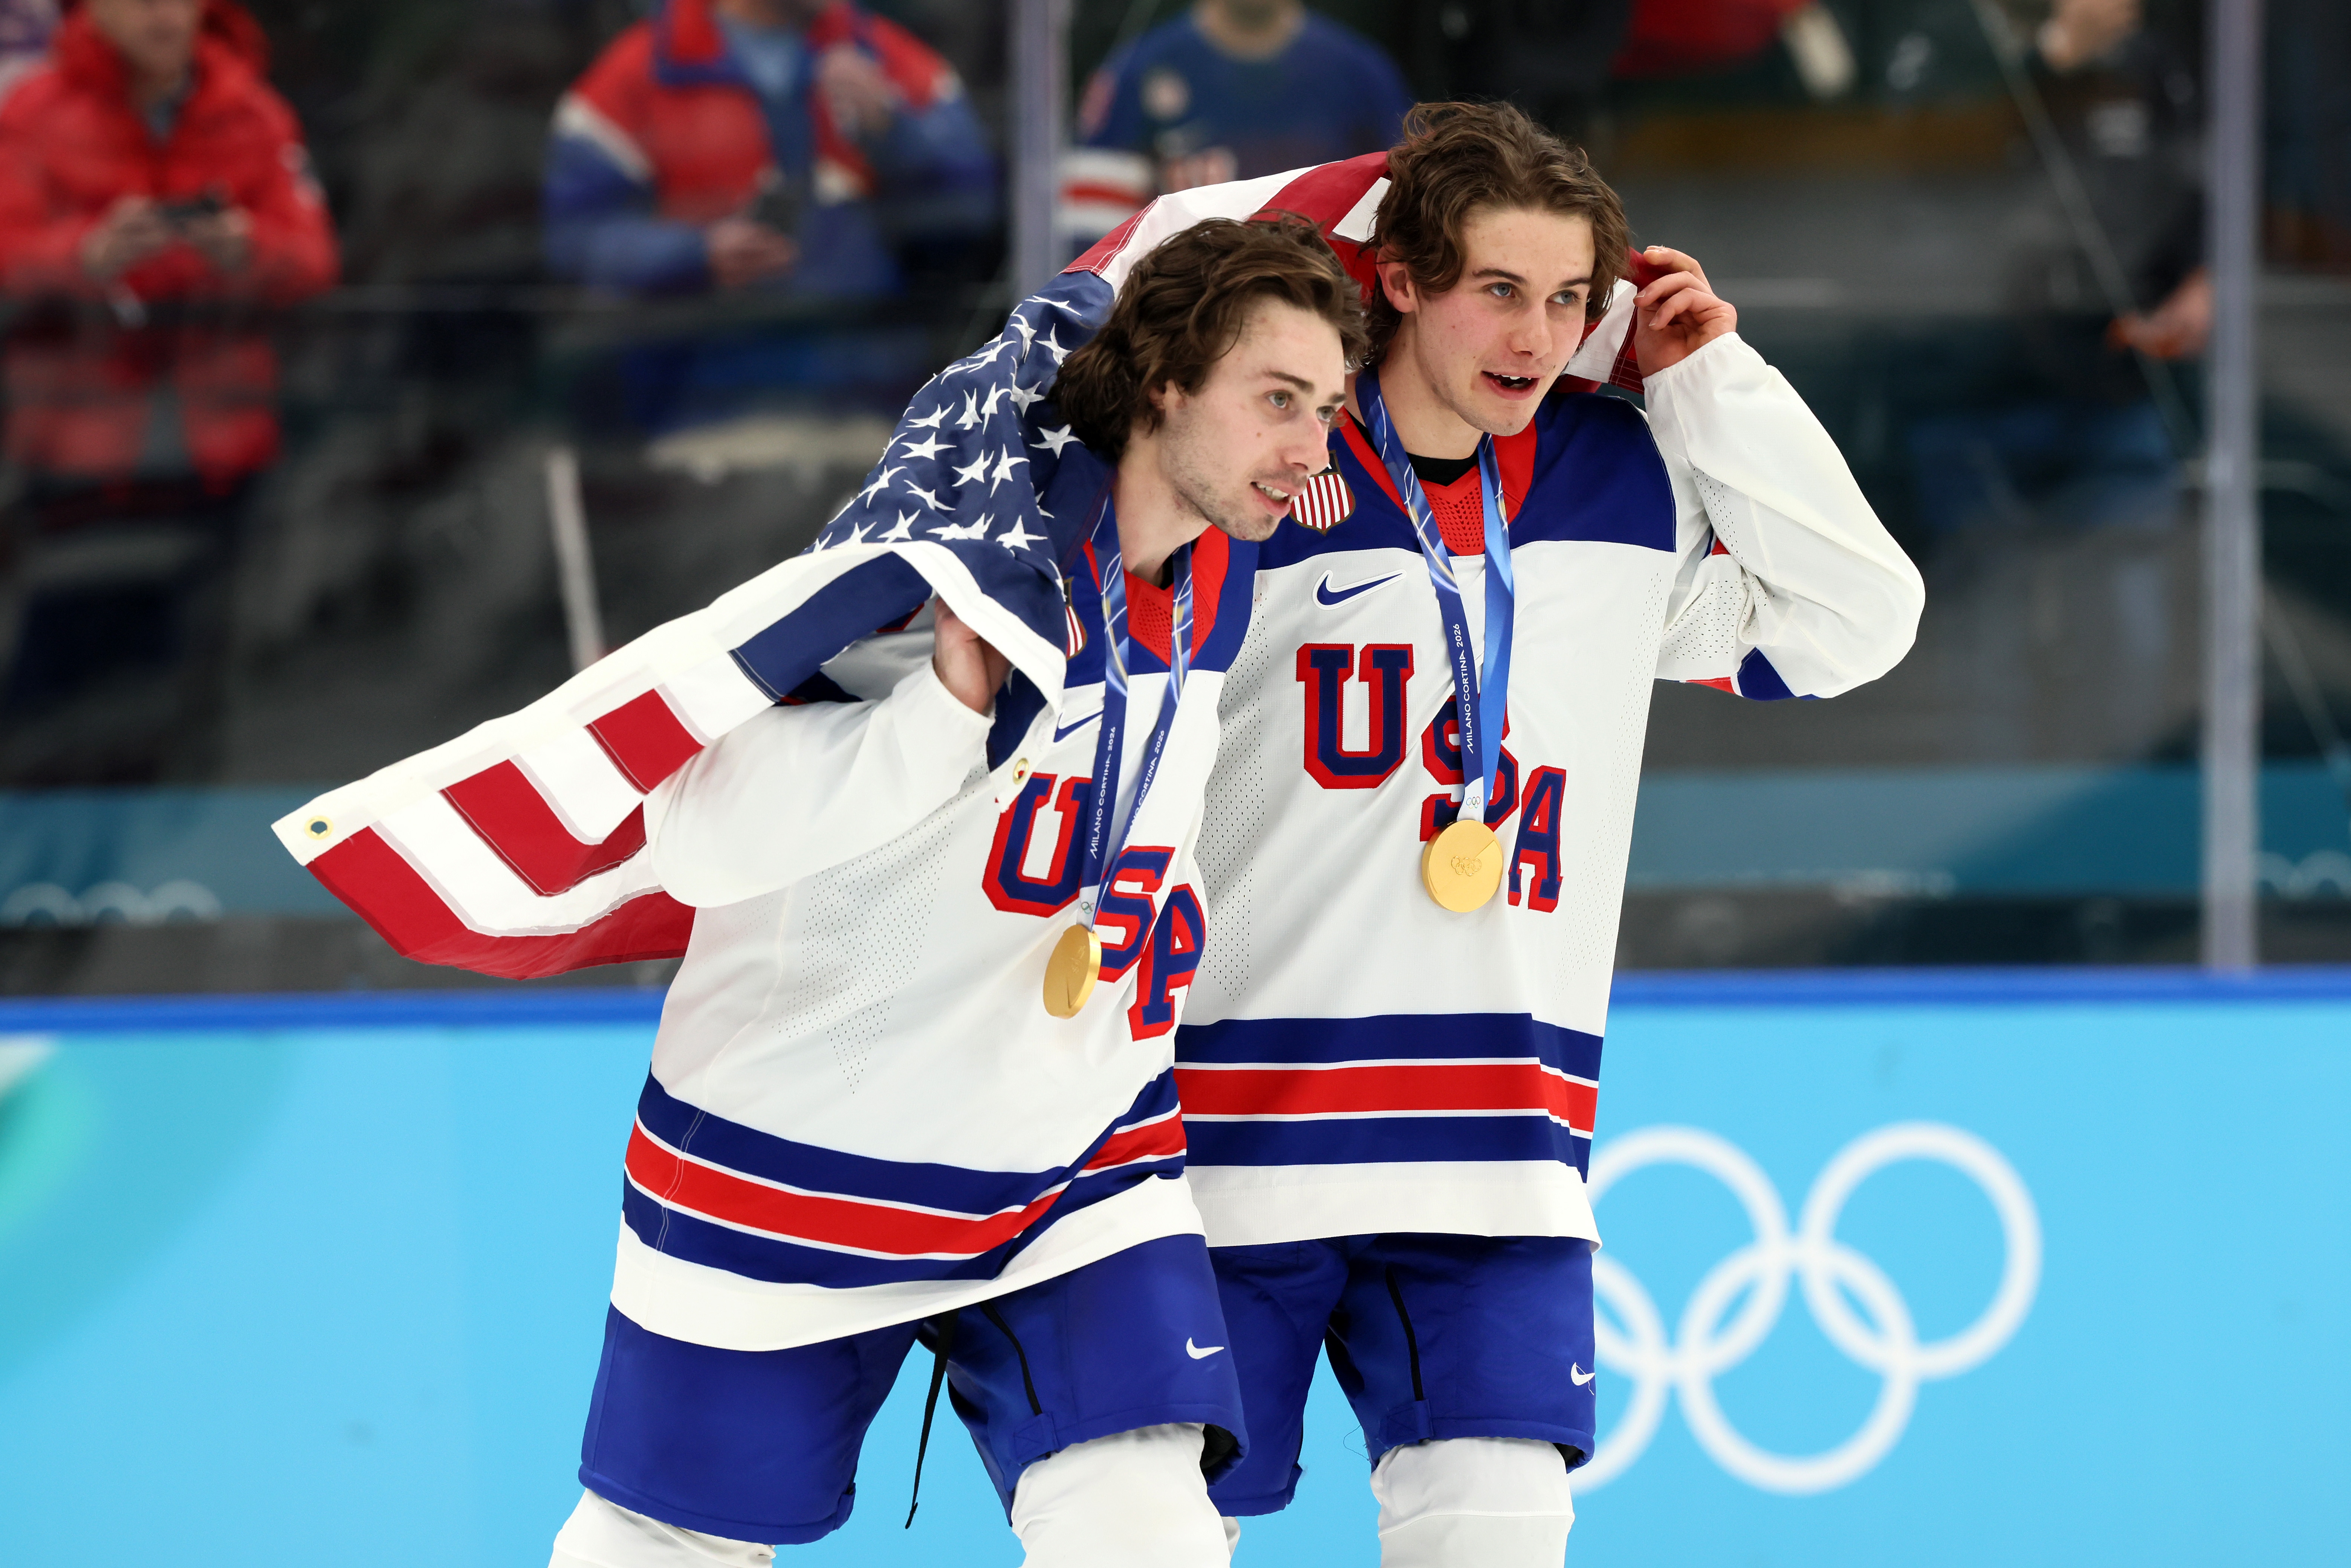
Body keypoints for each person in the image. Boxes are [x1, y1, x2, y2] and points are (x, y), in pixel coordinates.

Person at [1096, 105, 1920, 1561]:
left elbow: (1862, 621)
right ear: (1401, 279)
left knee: (1499, 1528)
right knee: (1141, 1533)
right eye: (1498, 289)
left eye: (1568, 301)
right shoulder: (1264, 470)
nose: (1536, 335)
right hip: (1222, 1127)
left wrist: (1709, 376)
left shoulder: (1620, 481)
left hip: (1498, 1144)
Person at [511, 217, 1368, 1566]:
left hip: (1070, 1159)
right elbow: (692, 834)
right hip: (796, 1156)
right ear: (1162, 384)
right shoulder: (944, 573)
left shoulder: (1225, 572)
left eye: (1324, 408)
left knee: (1152, 1527)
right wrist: (944, 705)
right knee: (661, 1545)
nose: (1311, 451)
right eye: (1277, 401)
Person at [0, 0, 335, 779]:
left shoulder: (253, 113)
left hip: (213, 443)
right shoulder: (38, 111)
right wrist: (82, 255)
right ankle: (44, 876)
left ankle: (163, 872)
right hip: (81, 446)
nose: (163, 14)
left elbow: (311, 260)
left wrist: (246, 249)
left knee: (192, 672)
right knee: (61, 673)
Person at [543, 0, 995, 301]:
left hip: (878, 385)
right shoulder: (635, 76)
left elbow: (976, 210)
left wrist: (894, 132)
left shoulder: (893, 61)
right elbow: (574, 242)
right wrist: (695, 254)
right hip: (697, 396)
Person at [1072, 0, 1410, 220]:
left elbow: (1406, 214)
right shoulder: (1134, 74)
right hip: (1180, 310)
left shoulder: (1366, 78)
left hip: (1331, 306)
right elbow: (1092, 237)